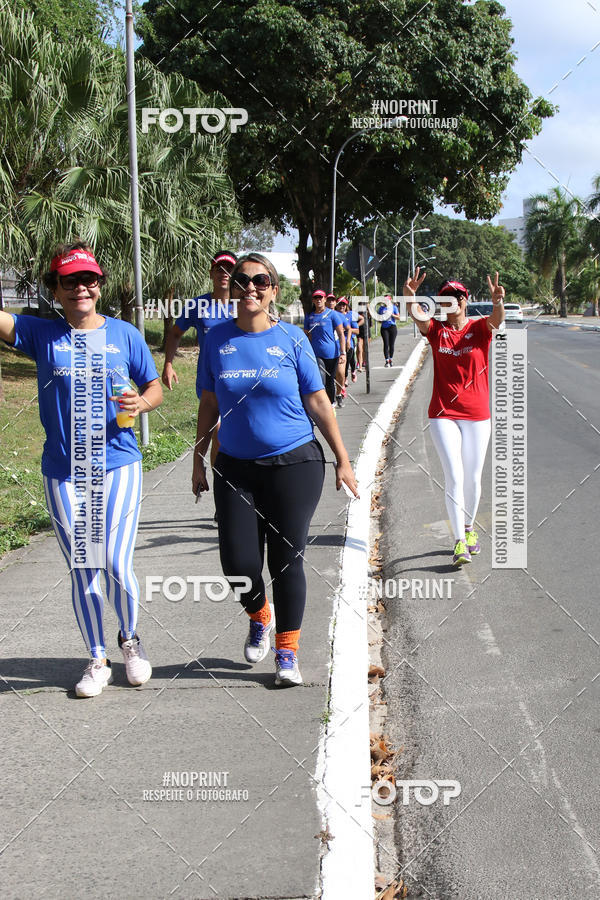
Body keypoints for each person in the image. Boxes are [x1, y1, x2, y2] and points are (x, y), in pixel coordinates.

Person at [0, 242, 163, 696]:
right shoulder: (40, 333)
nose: (81, 288)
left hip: (117, 463)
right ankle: (97, 657)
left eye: (89, 279)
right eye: (69, 281)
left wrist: (142, 401)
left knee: (113, 560)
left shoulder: (125, 334)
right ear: (55, 288)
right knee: (83, 564)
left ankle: (131, 641)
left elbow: (153, 388)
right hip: (65, 470)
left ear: (100, 285)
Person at [192, 254, 358, 686]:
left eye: (260, 280)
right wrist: (198, 459)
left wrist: (343, 458)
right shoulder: (216, 341)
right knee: (238, 562)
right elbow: (208, 404)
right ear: (231, 285)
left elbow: (319, 402)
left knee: (287, 560)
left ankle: (287, 653)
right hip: (235, 467)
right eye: (242, 279)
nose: (250, 287)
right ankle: (258, 613)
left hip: (295, 463)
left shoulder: (293, 339)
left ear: (273, 290)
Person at [405, 269, 505, 566]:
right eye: (446, 298)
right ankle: (459, 542)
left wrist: (498, 301)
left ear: (466, 300)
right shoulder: (436, 331)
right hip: (443, 413)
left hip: (477, 414)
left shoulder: (479, 329)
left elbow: (497, 321)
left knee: (473, 478)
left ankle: (469, 528)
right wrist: (410, 296)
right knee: (454, 476)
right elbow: (418, 317)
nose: (453, 302)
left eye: (457, 297)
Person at [304, 289, 346, 406]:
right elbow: (306, 335)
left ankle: (332, 403)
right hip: (316, 354)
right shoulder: (310, 316)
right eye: (316, 298)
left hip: (332, 353)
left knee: (329, 380)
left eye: (321, 297)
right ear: (313, 300)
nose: (318, 300)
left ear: (325, 299)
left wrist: (343, 352)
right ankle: (323, 405)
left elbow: (341, 334)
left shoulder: (332, 315)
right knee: (320, 379)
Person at [336, 297, 362, 384]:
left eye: (343, 304)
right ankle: (344, 376)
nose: (341, 306)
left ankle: (349, 374)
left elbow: (357, 330)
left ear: (346, 305)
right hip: (337, 342)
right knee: (344, 361)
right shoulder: (334, 315)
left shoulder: (350, 314)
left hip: (349, 340)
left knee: (349, 359)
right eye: (339, 304)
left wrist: (348, 329)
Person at [377, 294, 401, 367]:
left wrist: (392, 315)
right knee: (386, 344)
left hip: (392, 327)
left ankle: (391, 359)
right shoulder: (381, 308)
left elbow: (398, 317)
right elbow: (378, 319)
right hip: (384, 328)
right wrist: (381, 319)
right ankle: (386, 361)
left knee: (391, 344)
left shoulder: (394, 307)